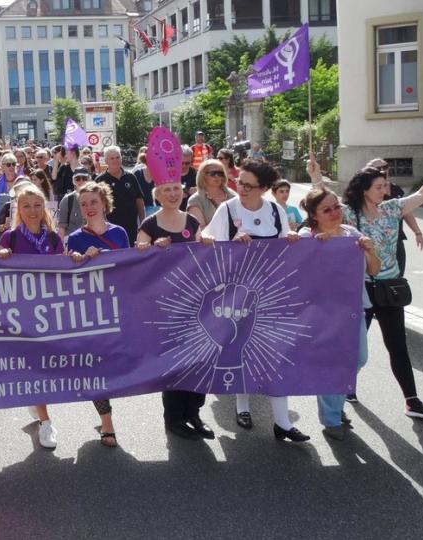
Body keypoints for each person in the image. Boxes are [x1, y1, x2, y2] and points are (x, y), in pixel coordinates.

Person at [323, 145, 423, 418]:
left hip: (389, 289)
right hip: (359, 290)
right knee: (353, 346)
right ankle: (345, 389)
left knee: (397, 346)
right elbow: (323, 205)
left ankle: (412, 401)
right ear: (364, 189)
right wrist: (316, 177)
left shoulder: (391, 209)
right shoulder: (349, 214)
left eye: (385, 185)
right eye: (379, 186)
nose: (385, 190)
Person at [201, 159, 308, 442]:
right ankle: (242, 406)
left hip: (271, 293)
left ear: (263, 188)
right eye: (240, 183)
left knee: (275, 355)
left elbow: (286, 242)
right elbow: (207, 238)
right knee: (241, 349)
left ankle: (283, 423)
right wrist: (232, 242)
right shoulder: (228, 209)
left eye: (248, 186)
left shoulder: (275, 210)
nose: (241, 189)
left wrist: (293, 238)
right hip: (238, 294)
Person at [135, 169, 211, 441]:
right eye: (166, 189)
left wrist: (206, 240)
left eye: (176, 188)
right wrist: (153, 247)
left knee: (201, 361)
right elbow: (139, 253)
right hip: (166, 307)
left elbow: (205, 245)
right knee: (175, 363)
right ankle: (174, 418)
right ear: (157, 194)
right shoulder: (150, 224)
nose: (172, 193)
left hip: (196, 304)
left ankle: (194, 412)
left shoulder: (192, 220)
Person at [298, 187, 380, 440]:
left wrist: (368, 250)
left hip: (352, 311)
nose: (334, 213)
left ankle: (335, 403)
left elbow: (375, 270)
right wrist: (313, 247)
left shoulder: (352, 235)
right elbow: (297, 272)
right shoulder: (306, 236)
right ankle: (332, 417)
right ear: (314, 215)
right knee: (332, 362)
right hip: (322, 313)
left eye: (337, 207)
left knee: (358, 359)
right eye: (327, 209)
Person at [0, 183, 64, 448]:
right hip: (21, 313)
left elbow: (63, 273)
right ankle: (46, 423)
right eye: (26, 206)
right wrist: (1, 258)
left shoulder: (54, 238)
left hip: (48, 311)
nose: (32, 211)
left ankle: (38, 405)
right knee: (36, 366)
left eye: (37, 205)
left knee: (46, 366)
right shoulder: (9, 238)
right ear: (18, 210)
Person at [67, 181, 129, 447]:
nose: (89, 208)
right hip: (90, 314)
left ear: (104, 203)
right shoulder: (75, 239)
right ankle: (107, 424)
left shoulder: (120, 233)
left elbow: (130, 269)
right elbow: (69, 280)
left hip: (118, 309)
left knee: (115, 368)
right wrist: (81, 260)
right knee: (96, 370)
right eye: (83, 204)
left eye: (93, 202)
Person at [367, 158, 423, 276]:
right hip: (374, 242)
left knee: (398, 276)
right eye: (379, 168)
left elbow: (406, 212)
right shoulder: (366, 192)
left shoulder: (395, 188)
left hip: (396, 240)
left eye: (385, 167)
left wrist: (417, 232)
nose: (383, 171)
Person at [96, 146, 145, 246]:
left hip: (132, 227)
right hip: (110, 229)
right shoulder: (100, 180)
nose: (115, 160)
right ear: (106, 160)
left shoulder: (131, 177)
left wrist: (143, 223)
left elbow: (139, 201)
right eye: (112, 158)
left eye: (117, 157)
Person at [187, 159, 236, 227]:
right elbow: (200, 229)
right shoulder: (196, 200)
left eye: (220, 173)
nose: (217, 176)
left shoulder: (233, 195)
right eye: (213, 174)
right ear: (203, 175)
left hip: (237, 237)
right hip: (213, 237)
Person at [56, 167, 89, 239]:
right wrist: (61, 249)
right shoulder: (67, 199)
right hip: (72, 243)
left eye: (84, 178)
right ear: (73, 181)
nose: (81, 181)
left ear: (90, 180)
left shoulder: (96, 198)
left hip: (93, 241)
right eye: (77, 179)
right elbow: (61, 228)